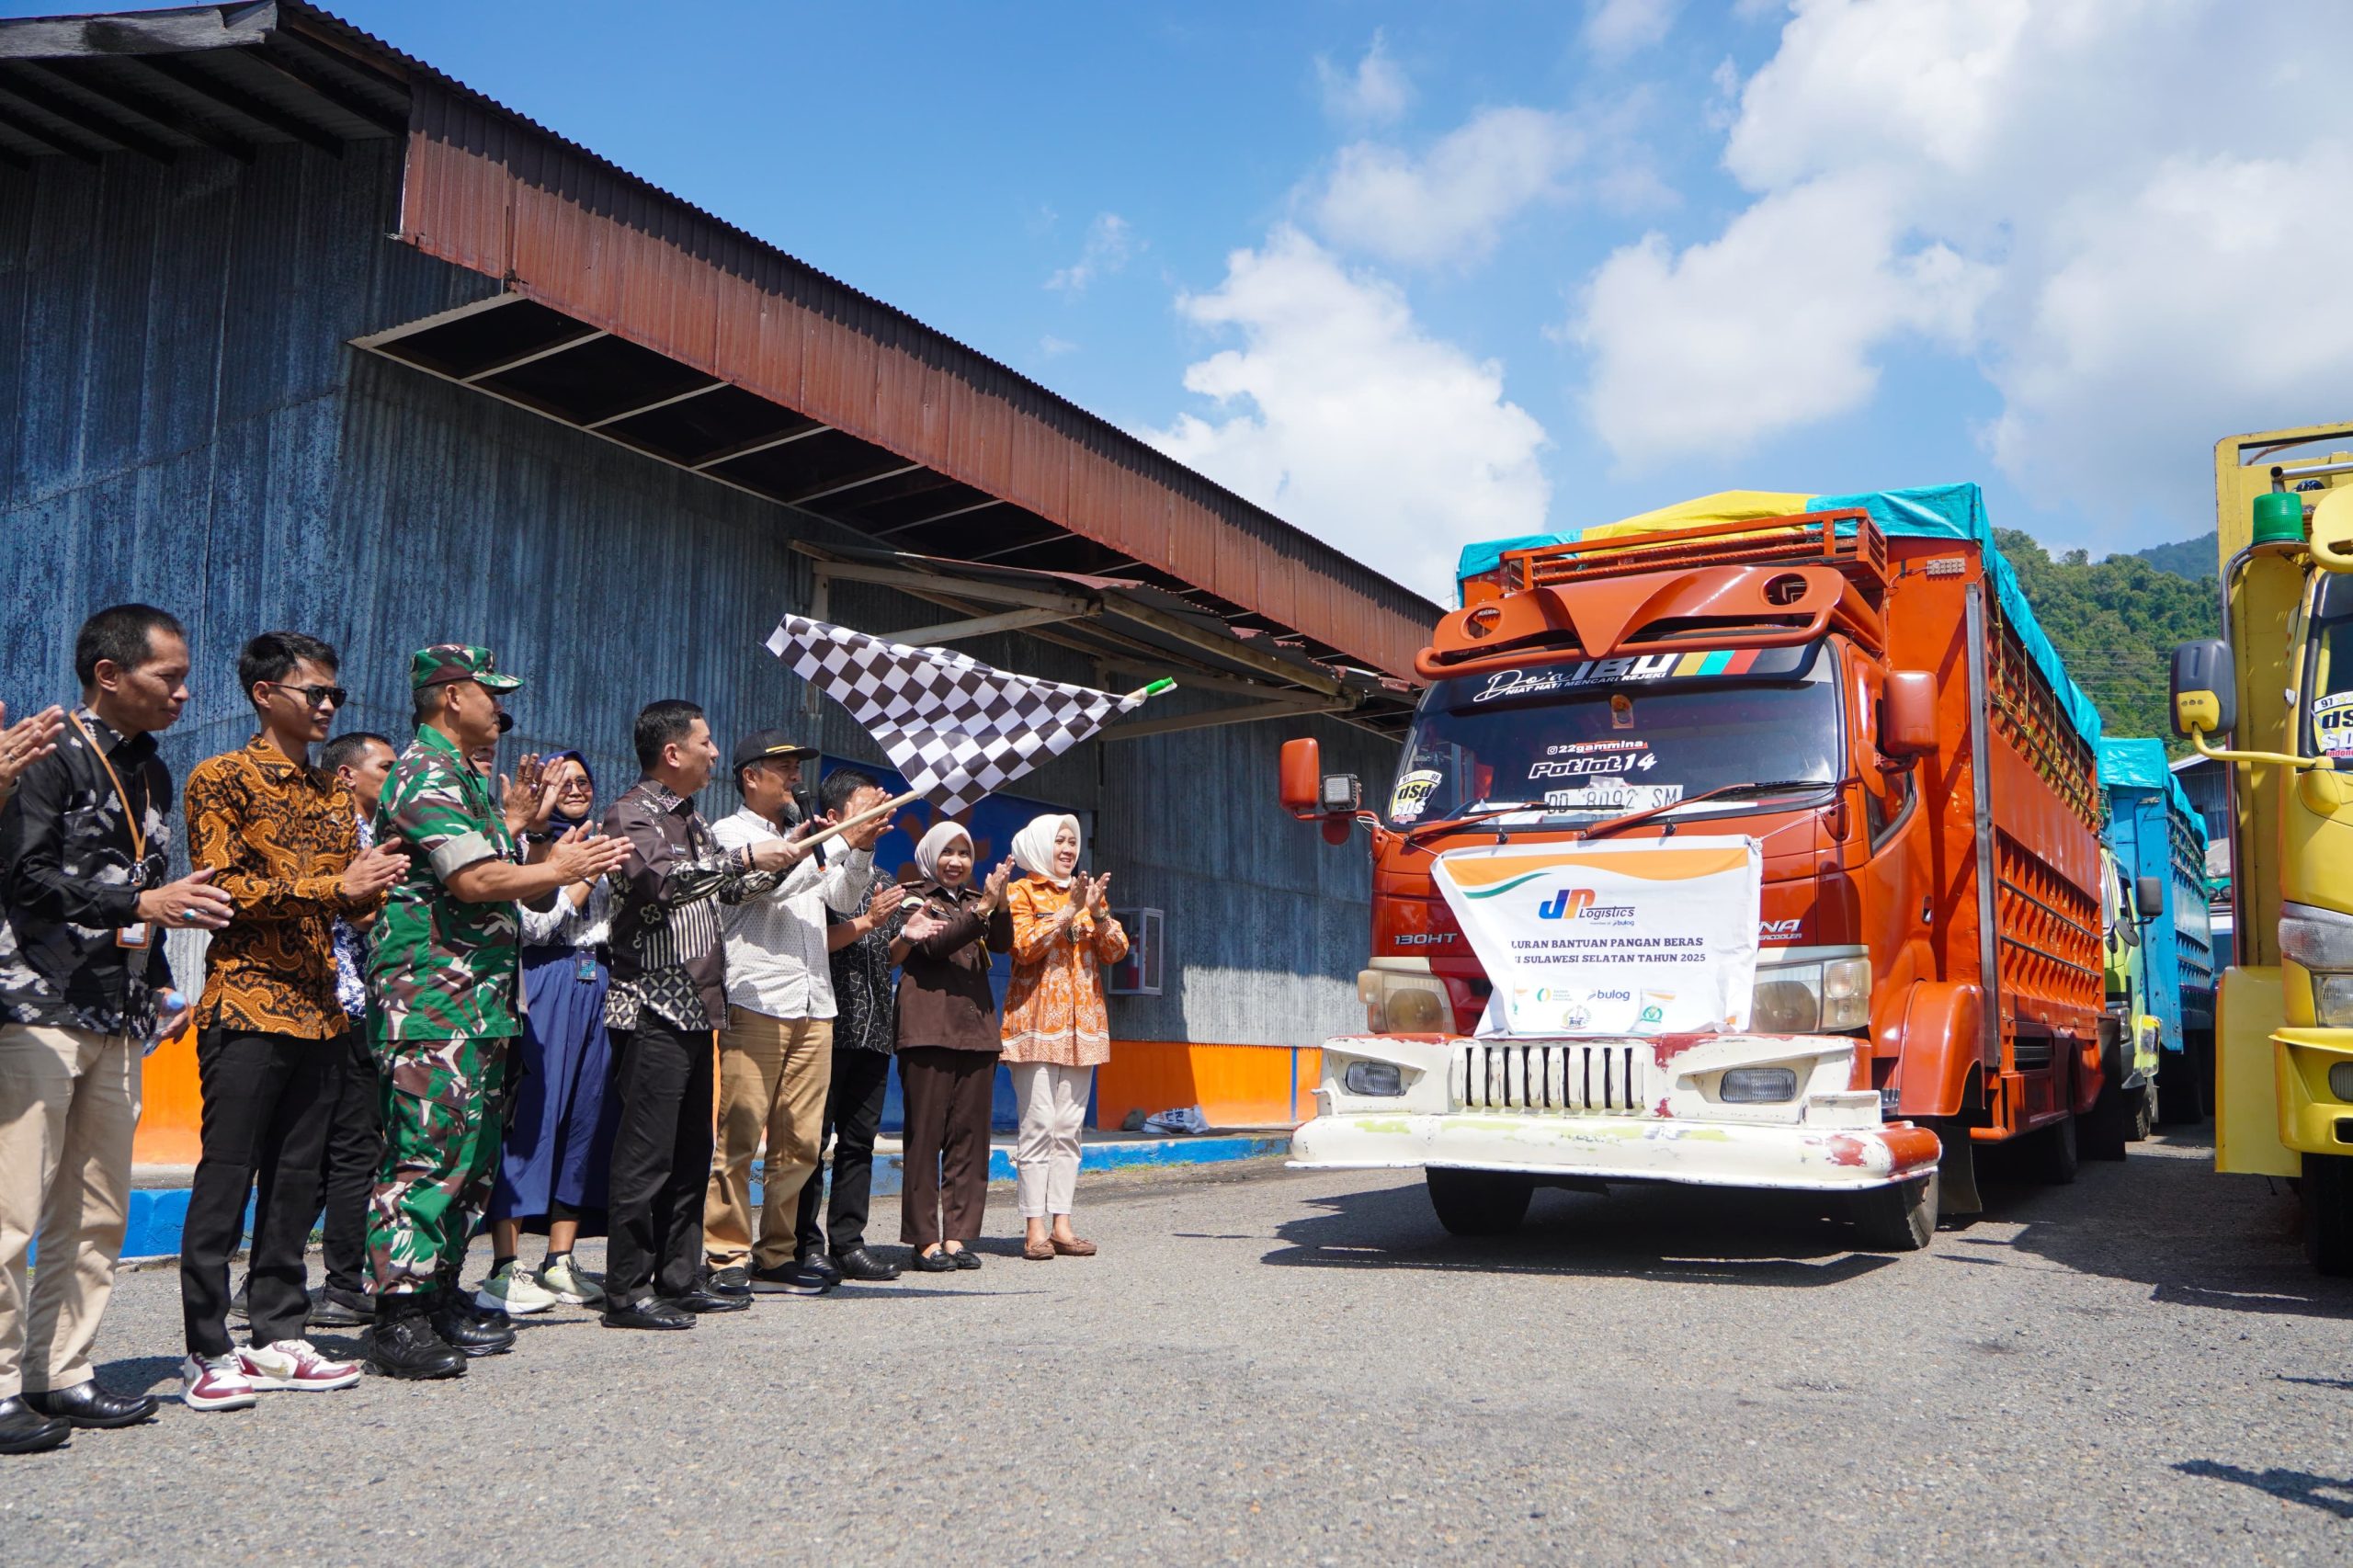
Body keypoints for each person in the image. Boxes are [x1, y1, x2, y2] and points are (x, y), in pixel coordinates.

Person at [0, 607, 231, 1453]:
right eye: (167, 676)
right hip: (35, 1005)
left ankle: (61, 1374)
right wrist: (141, 904)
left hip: (119, 1010)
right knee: (12, 1208)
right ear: (109, 674)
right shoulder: (46, 754)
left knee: (96, 1208)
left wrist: (162, 982)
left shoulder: (153, 771)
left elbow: (150, 885)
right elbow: (26, 880)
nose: (182, 691)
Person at [364, 646, 629, 1379]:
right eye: (490, 694)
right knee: (423, 1155)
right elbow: (477, 878)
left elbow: (499, 866)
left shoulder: (468, 779)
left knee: (470, 1159)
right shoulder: (423, 772)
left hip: (477, 1000)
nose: (500, 710)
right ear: (451, 697)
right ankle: (398, 1315)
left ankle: (442, 1292)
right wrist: (560, 868)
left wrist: (519, 831)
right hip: (429, 996)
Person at [176, 634, 406, 1413]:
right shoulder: (221, 779)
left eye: (335, 694)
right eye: (316, 692)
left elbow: (349, 905)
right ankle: (208, 1346)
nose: (329, 706)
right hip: (245, 1002)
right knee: (226, 1174)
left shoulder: (334, 797)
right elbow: (227, 891)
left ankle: (278, 1331)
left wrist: (374, 888)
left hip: (321, 1008)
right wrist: (337, 885)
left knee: (294, 1180)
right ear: (264, 694)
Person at [602, 708, 813, 1330]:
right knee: (646, 1156)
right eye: (705, 742)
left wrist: (792, 855)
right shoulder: (631, 814)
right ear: (672, 753)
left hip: (698, 1009)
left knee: (693, 1152)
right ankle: (628, 1290)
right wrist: (748, 856)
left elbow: (725, 892)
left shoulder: (692, 822)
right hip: (652, 1006)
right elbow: (661, 884)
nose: (714, 753)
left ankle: (678, 1274)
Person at [699, 734, 878, 1298]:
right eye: (784, 769)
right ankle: (725, 1255)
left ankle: (777, 1254)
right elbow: (763, 891)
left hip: (814, 1002)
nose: (795, 778)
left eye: (797, 768)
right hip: (756, 999)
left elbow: (845, 901)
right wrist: (830, 846)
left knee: (801, 1142)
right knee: (741, 1134)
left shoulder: (800, 838)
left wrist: (861, 849)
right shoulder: (730, 835)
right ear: (751, 777)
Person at [479, 750, 617, 1314]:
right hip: (543, 979)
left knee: (587, 1119)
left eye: (584, 781)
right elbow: (536, 924)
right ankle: (504, 1265)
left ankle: (560, 1259)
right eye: (564, 783)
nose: (577, 790)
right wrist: (581, 872)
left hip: (598, 980)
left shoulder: (604, 838)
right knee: (531, 1118)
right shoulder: (520, 845)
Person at [793, 767, 912, 1283]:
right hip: (827, 1022)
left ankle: (849, 1242)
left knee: (860, 1142)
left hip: (873, 1028)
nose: (880, 818)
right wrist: (867, 922)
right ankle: (802, 1242)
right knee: (812, 1141)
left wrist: (909, 937)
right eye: (869, 808)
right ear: (836, 816)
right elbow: (817, 940)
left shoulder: (882, 879)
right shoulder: (813, 872)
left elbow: (880, 957)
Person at [1000, 813, 1128, 1262]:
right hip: (1034, 1025)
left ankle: (1062, 1224)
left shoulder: (1088, 893)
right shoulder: (1020, 891)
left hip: (1083, 1027)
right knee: (1037, 1125)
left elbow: (1116, 951)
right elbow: (1023, 947)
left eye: (1073, 841)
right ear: (1039, 845)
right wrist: (1067, 912)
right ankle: (1034, 1227)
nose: (1068, 849)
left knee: (1068, 1129)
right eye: (1059, 841)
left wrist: (1099, 910)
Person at [892, 823, 1013, 1273]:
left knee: (969, 1139)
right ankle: (924, 1240)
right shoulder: (912, 896)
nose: (957, 861)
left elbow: (1003, 945)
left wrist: (997, 905)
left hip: (977, 1031)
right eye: (948, 852)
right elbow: (935, 945)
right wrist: (982, 908)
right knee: (925, 1137)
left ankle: (958, 1236)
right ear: (930, 855)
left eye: (964, 853)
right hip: (927, 1029)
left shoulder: (974, 901)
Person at [310, 730, 399, 1328]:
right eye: (385, 766)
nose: (396, 777)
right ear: (347, 775)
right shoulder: (337, 832)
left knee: (340, 1153)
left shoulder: (375, 832)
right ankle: (342, 1283)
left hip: (362, 1007)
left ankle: (291, 1277)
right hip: (337, 1004)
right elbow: (357, 912)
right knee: (345, 1154)